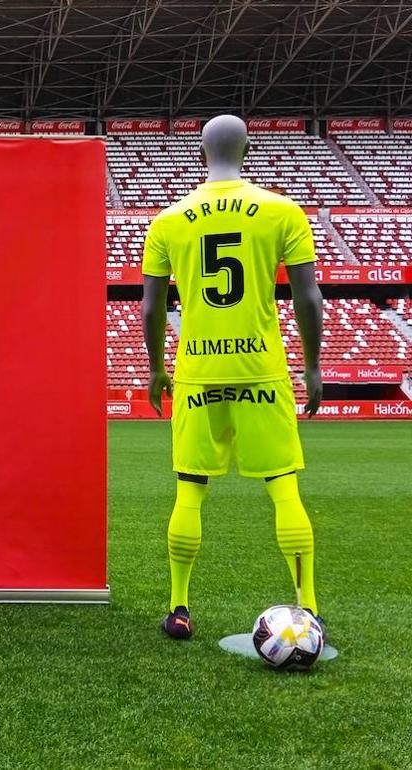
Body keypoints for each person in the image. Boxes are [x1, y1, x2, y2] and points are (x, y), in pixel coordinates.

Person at [141, 114, 324, 640]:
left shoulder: (169, 220)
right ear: (248, 150)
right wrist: (312, 366)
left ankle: (179, 608)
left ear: (201, 154)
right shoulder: (281, 211)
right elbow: (308, 296)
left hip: (198, 369)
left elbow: (153, 305)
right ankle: (307, 607)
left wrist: (157, 368)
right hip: (261, 367)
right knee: (284, 489)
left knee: (190, 490)